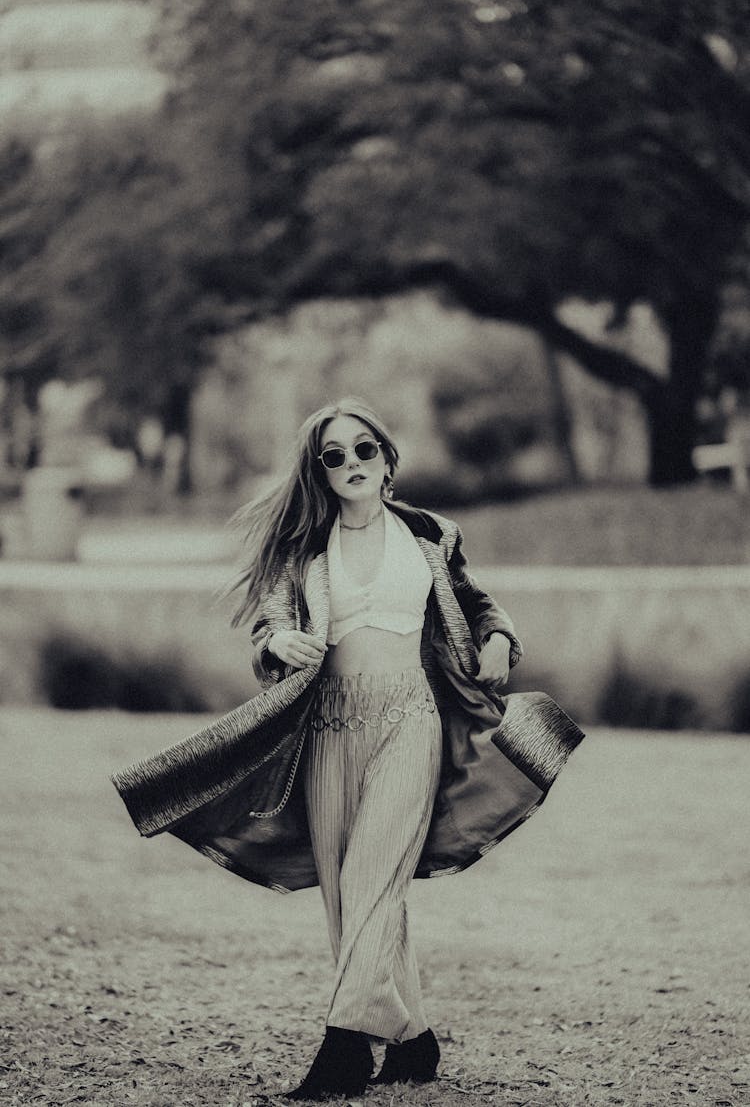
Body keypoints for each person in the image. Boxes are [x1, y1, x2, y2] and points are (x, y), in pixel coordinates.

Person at [111, 398, 584, 1101]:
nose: (353, 463)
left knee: (373, 874)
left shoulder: (430, 533)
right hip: (328, 730)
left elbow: (479, 602)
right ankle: (414, 1040)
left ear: (388, 458)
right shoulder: (303, 550)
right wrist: (277, 642)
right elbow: (270, 621)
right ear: (320, 471)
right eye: (335, 455)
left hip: (410, 720)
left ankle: (343, 1049)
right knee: (346, 890)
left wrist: (497, 640)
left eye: (365, 449)